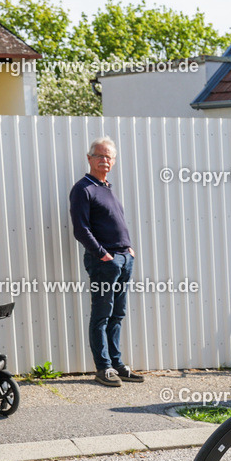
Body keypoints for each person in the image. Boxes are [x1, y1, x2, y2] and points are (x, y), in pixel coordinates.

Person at [69, 137, 141, 387]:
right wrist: (103, 254)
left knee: (117, 315)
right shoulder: (83, 189)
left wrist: (128, 251)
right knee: (102, 315)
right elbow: (81, 229)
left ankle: (117, 364)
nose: (104, 160)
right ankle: (103, 368)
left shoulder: (107, 187)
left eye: (109, 156)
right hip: (104, 262)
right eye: (99, 156)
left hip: (123, 259)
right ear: (89, 158)